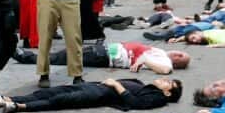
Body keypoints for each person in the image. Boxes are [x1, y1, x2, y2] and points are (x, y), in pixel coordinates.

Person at [0, 76, 182, 113]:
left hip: (100, 95)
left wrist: (116, 84)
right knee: (52, 91)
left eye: (168, 83)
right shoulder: (143, 84)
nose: (164, 80)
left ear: (167, 92)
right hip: (95, 87)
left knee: (60, 100)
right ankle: (12, 99)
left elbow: (135, 103)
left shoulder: (157, 98)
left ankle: (19, 106)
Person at [13, 40, 190, 75]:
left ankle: (26, 57)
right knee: (64, 55)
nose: (177, 52)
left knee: (63, 57)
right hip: (105, 51)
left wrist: (144, 60)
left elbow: (166, 70)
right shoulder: (162, 54)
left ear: (178, 61)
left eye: (180, 55)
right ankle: (28, 57)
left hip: (104, 56)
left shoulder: (166, 62)